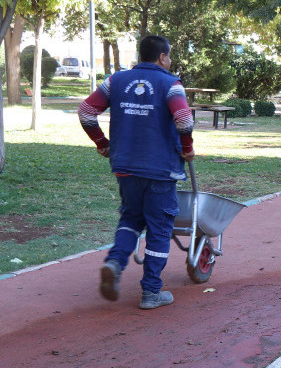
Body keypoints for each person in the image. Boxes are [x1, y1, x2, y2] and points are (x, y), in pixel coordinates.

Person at [79, 35, 195, 309]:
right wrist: (187, 148)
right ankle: (151, 292)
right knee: (159, 228)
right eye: (169, 56)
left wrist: (102, 144)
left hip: (125, 166)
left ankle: (114, 263)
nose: (170, 60)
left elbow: (86, 111)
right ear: (162, 57)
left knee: (131, 218)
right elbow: (184, 119)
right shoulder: (170, 84)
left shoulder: (116, 81)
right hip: (160, 169)